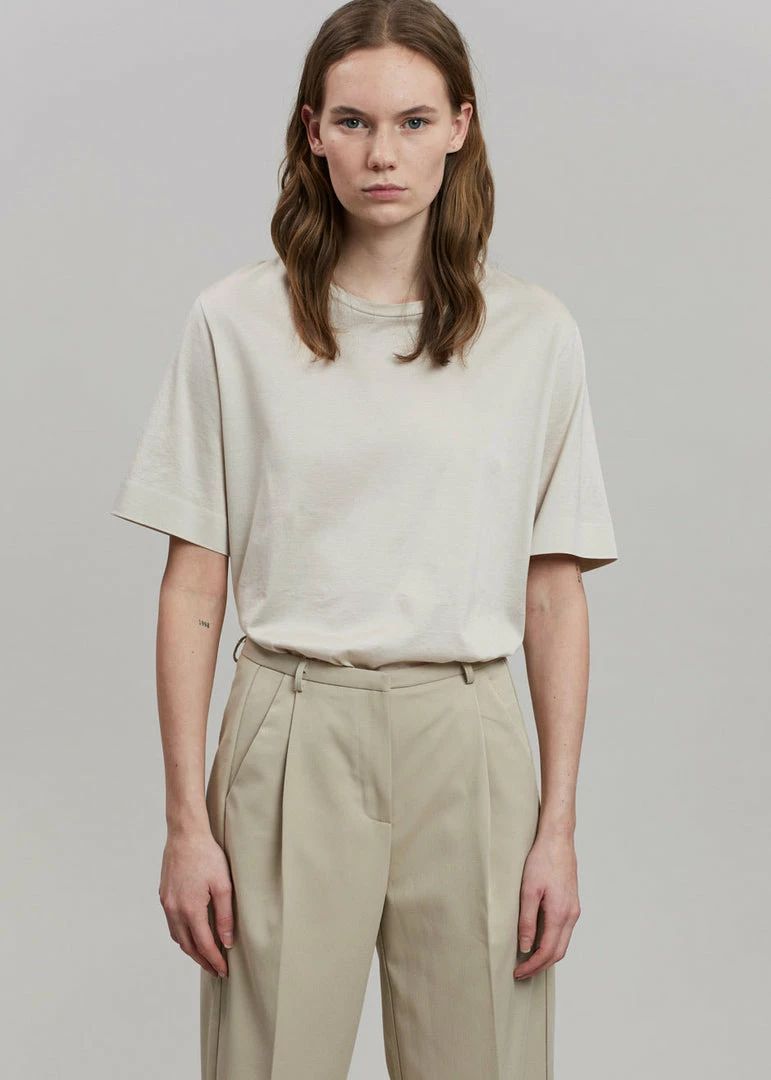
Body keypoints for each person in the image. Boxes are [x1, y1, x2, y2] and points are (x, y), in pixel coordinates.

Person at [110, 1, 619, 1077]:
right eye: (352, 121)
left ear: (460, 127)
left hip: (470, 737)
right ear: (313, 133)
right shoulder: (234, 324)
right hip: (292, 729)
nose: (382, 153)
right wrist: (186, 822)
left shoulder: (535, 336)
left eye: (413, 121)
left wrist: (558, 828)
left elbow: (552, 591)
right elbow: (193, 586)